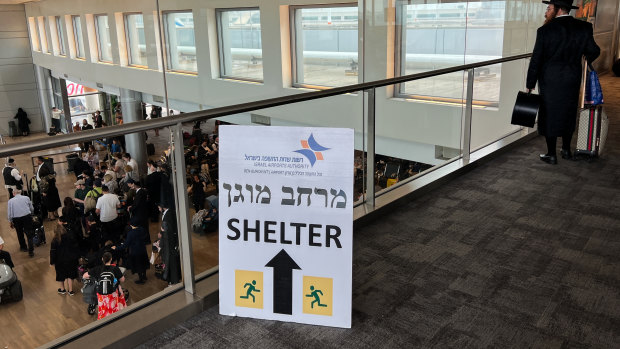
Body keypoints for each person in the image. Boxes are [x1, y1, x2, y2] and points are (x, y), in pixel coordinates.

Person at [526, 0, 601, 164]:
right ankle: (566, 150)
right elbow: (594, 50)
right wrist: (582, 57)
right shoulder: (583, 27)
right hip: (572, 78)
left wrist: (530, 83)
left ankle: (551, 154)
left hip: (550, 80)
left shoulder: (545, 30)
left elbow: (536, 59)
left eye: (549, 8)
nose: (547, 11)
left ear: (558, 10)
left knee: (549, 114)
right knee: (568, 112)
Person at [83, 252, 126, 320]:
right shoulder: (115, 268)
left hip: (101, 294)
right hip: (112, 293)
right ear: (111, 259)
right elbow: (122, 280)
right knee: (113, 307)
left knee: (103, 309)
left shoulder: (97, 269)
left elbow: (85, 276)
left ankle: (103, 320)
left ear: (102, 259)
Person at [113, 217, 149, 284]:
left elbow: (125, 245)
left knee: (138, 265)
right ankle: (144, 276)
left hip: (135, 251)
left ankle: (141, 279)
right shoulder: (142, 229)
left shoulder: (131, 233)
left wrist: (116, 248)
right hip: (143, 249)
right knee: (143, 263)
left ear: (132, 224)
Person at [50, 216, 80, 295]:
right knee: (70, 274)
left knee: (61, 274)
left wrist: (52, 262)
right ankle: (70, 290)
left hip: (59, 261)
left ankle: (62, 289)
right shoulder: (69, 237)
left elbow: (53, 252)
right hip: (70, 259)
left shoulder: (54, 241)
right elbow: (75, 247)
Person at [7, 186, 34, 256]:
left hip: (16, 219)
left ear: (13, 193)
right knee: (29, 233)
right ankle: (31, 250)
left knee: (20, 233)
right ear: (20, 192)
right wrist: (31, 214)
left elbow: (9, 213)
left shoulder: (10, 201)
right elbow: (31, 208)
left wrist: (10, 221)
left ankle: (23, 247)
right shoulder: (26, 198)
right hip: (27, 217)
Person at [158, 202, 181, 285]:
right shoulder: (170, 213)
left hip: (169, 243)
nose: (158, 208)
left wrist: (162, 233)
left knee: (171, 262)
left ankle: (173, 280)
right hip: (171, 242)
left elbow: (168, 232)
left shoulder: (167, 217)